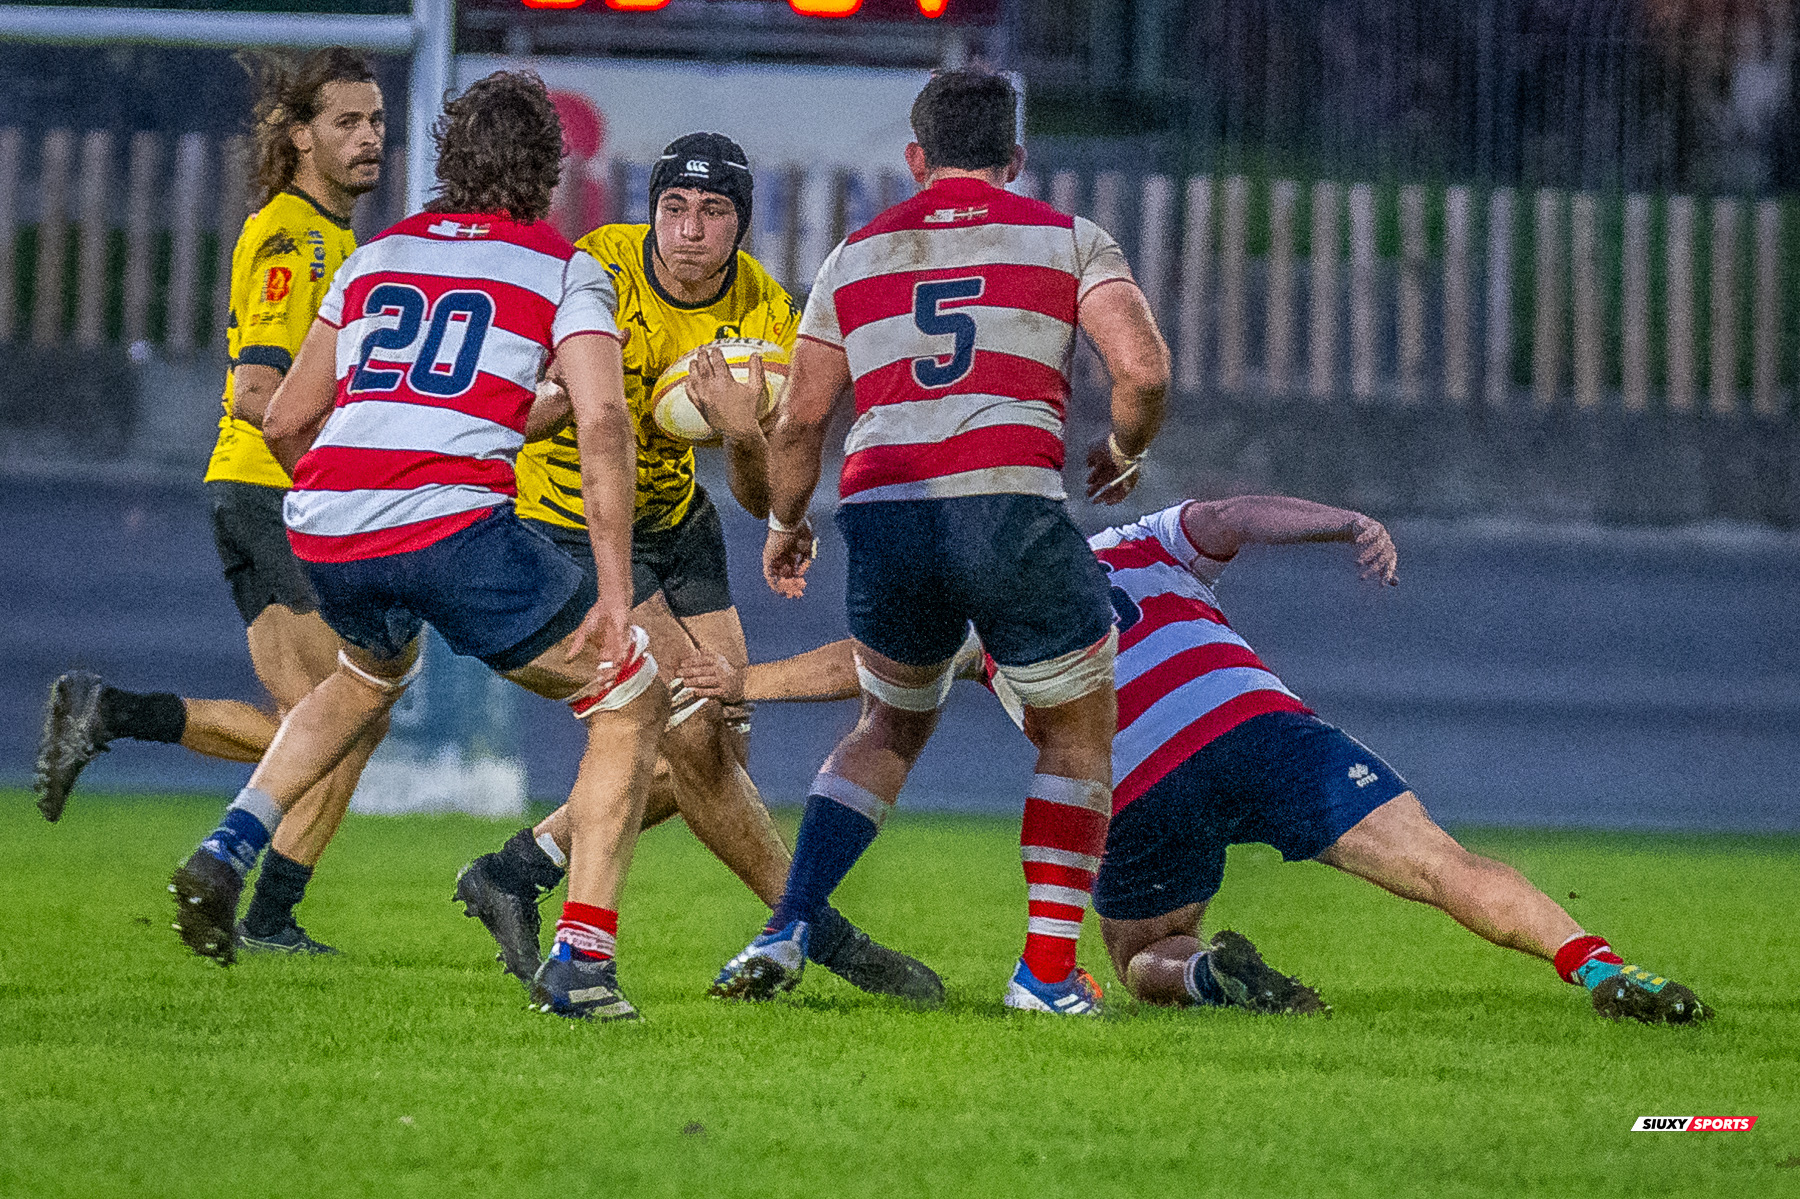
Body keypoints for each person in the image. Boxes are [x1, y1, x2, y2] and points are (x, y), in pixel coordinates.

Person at [684, 494, 1711, 1026]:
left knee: (1139, 958)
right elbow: (1229, 514)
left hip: (1133, 776)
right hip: (1261, 725)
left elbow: (862, 667)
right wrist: (1344, 521)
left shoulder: (989, 614)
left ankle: (1208, 972)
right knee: (1444, 862)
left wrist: (744, 682)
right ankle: (1603, 964)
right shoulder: (1139, 542)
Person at [168, 70, 668, 1022]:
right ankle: (582, 964)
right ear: (545, 173)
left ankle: (228, 847)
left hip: (324, 521)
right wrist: (613, 589)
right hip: (450, 528)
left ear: (447, 161)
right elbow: (603, 424)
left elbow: (285, 420)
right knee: (633, 696)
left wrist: (356, 484)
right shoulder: (561, 268)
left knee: (362, 678)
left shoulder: (372, 257)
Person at [710, 69, 1169, 1016]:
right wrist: (1123, 449)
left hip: (884, 509)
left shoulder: (854, 256)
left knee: (888, 722)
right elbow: (1144, 369)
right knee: (1077, 726)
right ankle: (1044, 974)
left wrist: (788, 522)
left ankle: (786, 924)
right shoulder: (1070, 239)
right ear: (1017, 159)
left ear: (917, 160)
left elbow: (798, 423)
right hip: (1006, 500)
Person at [453, 133, 941, 1004]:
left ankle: (513, 868)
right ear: (654, 213)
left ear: (739, 225)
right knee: (695, 740)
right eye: (674, 208)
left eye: (713, 212)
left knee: (719, 741)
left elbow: (761, 494)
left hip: (680, 521)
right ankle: (819, 933)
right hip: (574, 519)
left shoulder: (762, 308)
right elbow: (521, 394)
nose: (689, 229)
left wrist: (743, 428)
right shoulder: (596, 269)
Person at [34, 48, 387, 954]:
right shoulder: (295, 237)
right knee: (350, 715)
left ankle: (110, 711)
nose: (369, 137)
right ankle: (269, 915)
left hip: (252, 491)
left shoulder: (333, 237)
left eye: (377, 120)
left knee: (306, 726)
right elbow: (259, 396)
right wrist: (337, 479)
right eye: (347, 122)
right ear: (301, 136)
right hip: (277, 493)